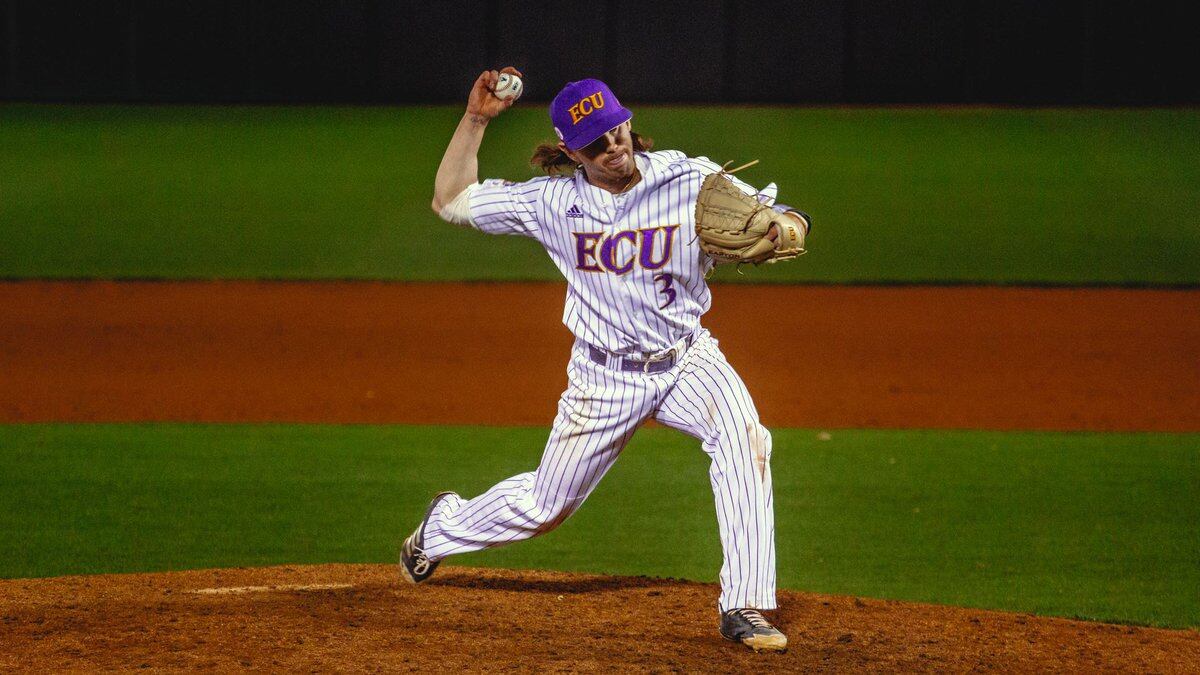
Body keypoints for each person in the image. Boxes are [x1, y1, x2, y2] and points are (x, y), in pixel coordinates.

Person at [400, 67, 811, 653]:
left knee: (746, 439)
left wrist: (787, 227)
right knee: (546, 506)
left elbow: (783, 214)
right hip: (604, 377)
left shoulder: (687, 177)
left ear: (628, 124)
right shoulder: (551, 204)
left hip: (687, 360)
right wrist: (474, 121)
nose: (612, 146)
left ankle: (743, 604)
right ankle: (441, 527)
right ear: (571, 151)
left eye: (616, 130)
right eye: (595, 141)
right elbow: (451, 200)